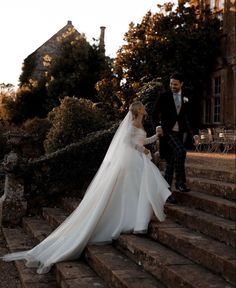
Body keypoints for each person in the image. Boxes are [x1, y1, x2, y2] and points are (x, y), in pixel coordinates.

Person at [1, 101, 171, 274]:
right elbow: (127, 142)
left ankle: (136, 216)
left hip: (137, 159)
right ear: (138, 110)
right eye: (142, 106)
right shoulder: (131, 124)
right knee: (134, 189)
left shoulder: (140, 124)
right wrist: (140, 149)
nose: (145, 108)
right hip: (132, 161)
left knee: (139, 188)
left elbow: (143, 141)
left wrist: (156, 136)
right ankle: (132, 217)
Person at [152, 72, 192, 204]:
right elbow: (154, 114)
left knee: (170, 164)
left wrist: (195, 133)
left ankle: (167, 194)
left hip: (179, 134)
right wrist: (158, 125)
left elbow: (188, 118)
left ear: (181, 84)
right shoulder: (164, 96)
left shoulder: (186, 97)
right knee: (181, 151)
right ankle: (180, 182)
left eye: (175, 84)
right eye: (171, 84)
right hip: (167, 133)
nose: (172, 86)